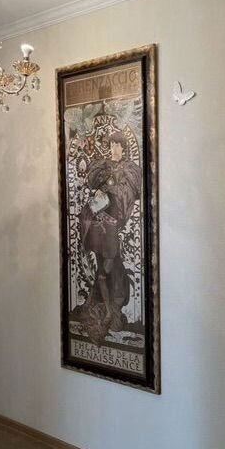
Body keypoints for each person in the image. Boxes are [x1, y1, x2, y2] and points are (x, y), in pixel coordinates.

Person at [77, 131, 141, 342]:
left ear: (123, 148)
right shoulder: (103, 165)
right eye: (112, 145)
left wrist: (110, 189)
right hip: (97, 223)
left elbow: (128, 194)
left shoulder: (130, 169)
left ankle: (112, 311)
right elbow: (92, 182)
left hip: (112, 225)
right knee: (101, 267)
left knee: (111, 267)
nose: (114, 148)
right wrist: (101, 188)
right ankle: (102, 311)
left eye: (117, 145)